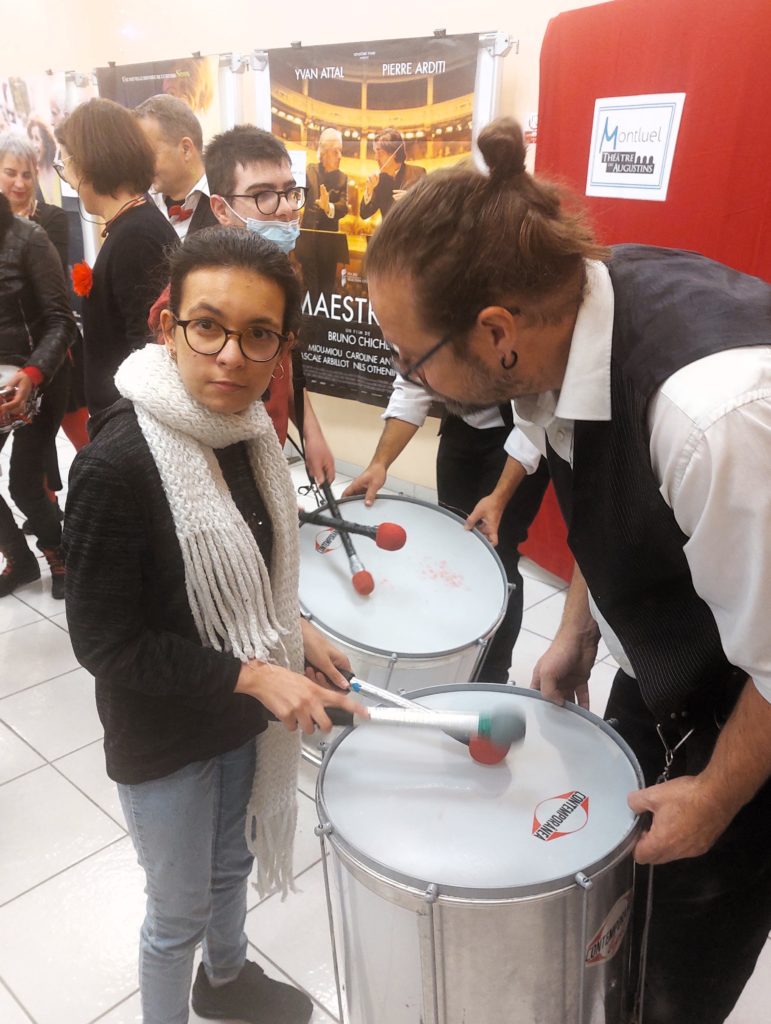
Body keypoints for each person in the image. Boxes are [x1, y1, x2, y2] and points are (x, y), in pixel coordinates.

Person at [363, 117, 771, 1024]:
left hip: (753, 721)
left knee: (677, 973)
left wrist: (709, 799)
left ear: (495, 331)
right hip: (676, 662)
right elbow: (597, 473)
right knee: (613, 928)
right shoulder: (569, 321)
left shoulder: (712, 415)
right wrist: (578, 629)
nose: (406, 377)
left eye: (413, 358)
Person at [63, 226, 365, 1024]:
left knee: (233, 860)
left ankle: (225, 981)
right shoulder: (115, 466)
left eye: (257, 334)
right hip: (163, 732)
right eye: (208, 326)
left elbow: (254, 577)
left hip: (238, 714)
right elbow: (103, 642)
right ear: (170, 328)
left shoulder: (253, 437)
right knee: (175, 914)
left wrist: (292, 628)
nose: (230, 356)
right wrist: (253, 672)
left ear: (281, 348)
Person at [344, 373, 549, 682]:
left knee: (497, 558)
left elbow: (537, 422)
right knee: (452, 544)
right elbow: (412, 387)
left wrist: (499, 496)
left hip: (522, 437)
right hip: (462, 428)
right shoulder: (419, 337)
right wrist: (379, 463)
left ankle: (490, 676)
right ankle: (451, 648)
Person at [206, 124, 335, 482]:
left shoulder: (283, 273)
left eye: (290, 193)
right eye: (263, 195)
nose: (284, 210)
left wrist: (311, 433)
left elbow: (287, 363)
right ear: (221, 208)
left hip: (268, 458)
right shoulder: (200, 295)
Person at [54, 98, 177, 415]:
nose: (66, 177)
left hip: (131, 427)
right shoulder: (133, 227)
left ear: (87, 164)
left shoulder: (137, 237)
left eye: (65, 164)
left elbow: (150, 354)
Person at [0, 131, 79, 534]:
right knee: (27, 480)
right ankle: (21, 554)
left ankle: (58, 547)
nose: (18, 182)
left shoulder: (42, 227)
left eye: (26, 174)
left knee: (28, 478)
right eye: (10, 173)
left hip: (43, 363)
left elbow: (58, 314)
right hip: (10, 370)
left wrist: (33, 372)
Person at [135, 94, 217, 239]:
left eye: (148, 153)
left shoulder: (229, 202)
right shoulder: (139, 206)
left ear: (186, 149)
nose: (142, 165)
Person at [296, 127, 349, 302]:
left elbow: (343, 207)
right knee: (309, 293)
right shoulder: (309, 170)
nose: (340, 156)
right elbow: (297, 196)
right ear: (324, 153)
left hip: (329, 248)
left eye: (341, 151)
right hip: (308, 243)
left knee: (327, 292)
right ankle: (309, 327)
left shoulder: (343, 178)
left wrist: (329, 207)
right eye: (336, 151)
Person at [360, 129, 426, 222]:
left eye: (379, 152)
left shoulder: (418, 173)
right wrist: (369, 191)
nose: (376, 158)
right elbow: (364, 214)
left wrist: (411, 200)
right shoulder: (379, 181)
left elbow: (428, 209)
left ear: (394, 153)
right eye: (375, 152)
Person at [27, 116, 61, 206]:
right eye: (31, 139)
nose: (33, 145)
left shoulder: (61, 172)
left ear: (46, 142)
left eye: (37, 139)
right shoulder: (31, 179)